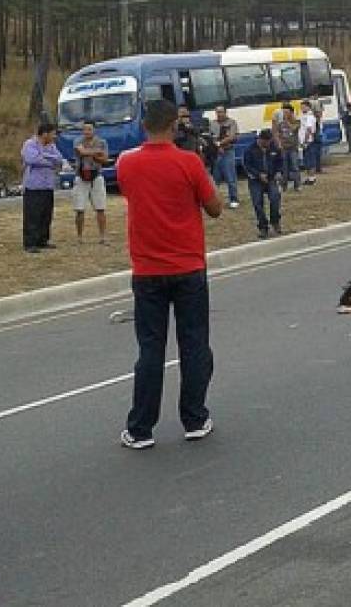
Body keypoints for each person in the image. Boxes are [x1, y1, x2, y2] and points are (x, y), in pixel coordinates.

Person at [116, 100, 223, 450]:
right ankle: (194, 417)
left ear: (143, 126)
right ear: (174, 127)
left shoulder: (127, 164)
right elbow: (215, 208)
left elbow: (134, 194)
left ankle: (141, 427)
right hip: (188, 266)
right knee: (193, 344)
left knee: (150, 349)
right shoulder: (189, 162)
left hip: (148, 269)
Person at [21, 122, 64, 253]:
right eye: (53, 133)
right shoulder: (30, 144)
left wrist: (45, 156)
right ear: (45, 133)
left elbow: (59, 159)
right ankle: (30, 243)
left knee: (46, 214)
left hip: (47, 185)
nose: (54, 136)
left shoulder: (51, 146)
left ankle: (42, 240)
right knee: (33, 215)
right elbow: (32, 160)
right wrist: (50, 162)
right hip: (34, 186)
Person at [243, 128, 284, 239]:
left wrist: (278, 172)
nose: (267, 144)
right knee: (257, 203)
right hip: (255, 180)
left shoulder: (274, 148)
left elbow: (280, 161)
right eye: (265, 141)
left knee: (275, 198)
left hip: (271, 178)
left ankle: (275, 221)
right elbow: (247, 165)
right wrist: (258, 174)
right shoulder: (250, 150)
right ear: (260, 139)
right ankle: (263, 227)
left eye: (269, 141)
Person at [73, 122, 110, 244]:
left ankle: (103, 236)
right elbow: (81, 152)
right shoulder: (77, 141)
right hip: (81, 176)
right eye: (85, 129)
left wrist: (90, 152)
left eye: (89, 129)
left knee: (101, 207)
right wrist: (96, 152)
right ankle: (79, 237)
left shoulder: (102, 142)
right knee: (79, 209)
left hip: (96, 175)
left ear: (94, 130)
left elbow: (105, 159)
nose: (87, 132)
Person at [208, 106, 240, 209]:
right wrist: (216, 146)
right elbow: (210, 137)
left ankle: (234, 199)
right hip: (216, 154)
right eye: (217, 112)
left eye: (221, 112)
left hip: (228, 151)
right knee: (215, 178)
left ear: (226, 112)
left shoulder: (231, 123)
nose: (219, 114)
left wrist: (219, 145)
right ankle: (213, 201)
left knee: (230, 177)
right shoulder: (212, 123)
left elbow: (231, 137)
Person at [272, 105, 301, 192]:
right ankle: (284, 185)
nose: (284, 114)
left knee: (295, 166)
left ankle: (297, 185)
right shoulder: (281, 124)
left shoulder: (296, 121)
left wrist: (287, 121)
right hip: (283, 148)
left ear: (291, 113)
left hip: (293, 148)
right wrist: (278, 143)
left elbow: (293, 129)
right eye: (283, 112)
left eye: (286, 112)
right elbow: (276, 133)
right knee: (284, 167)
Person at [298, 99, 320, 185]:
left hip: (308, 142)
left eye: (303, 107)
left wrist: (305, 141)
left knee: (310, 160)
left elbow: (309, 129)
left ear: (308, 107)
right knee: (306, 161)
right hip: (304, 141)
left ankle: (312, 178)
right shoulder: (304, 116)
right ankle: (309, 177)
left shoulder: (310, 117)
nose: (302, 108)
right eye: (301, 107)